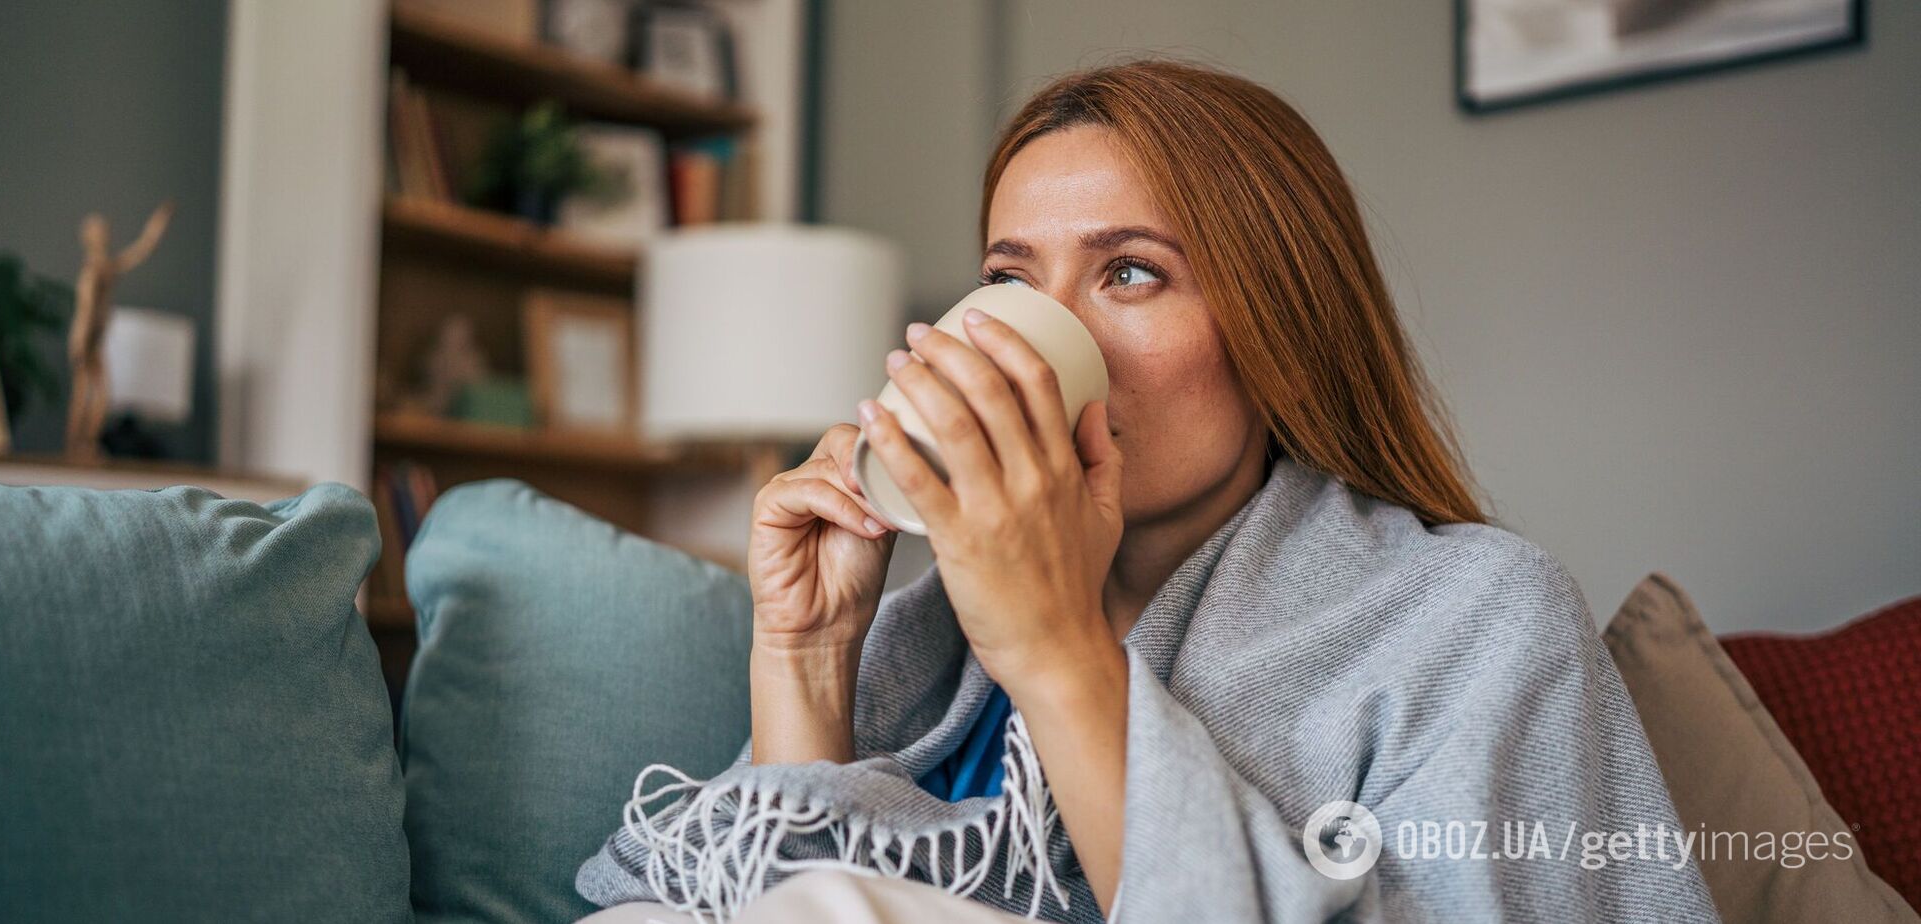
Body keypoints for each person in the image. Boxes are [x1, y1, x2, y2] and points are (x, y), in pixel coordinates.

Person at [578, 59, 1719, 923]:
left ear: (1281, 338)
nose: (1042, 341)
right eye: (1009, 281)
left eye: (1129, 272)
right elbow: (706, 892)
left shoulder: (1475, 617)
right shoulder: (928, 644)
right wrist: (810, 664)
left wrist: (1055, 649)